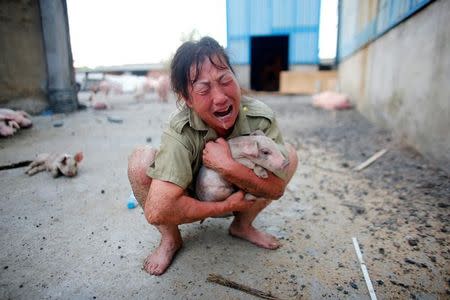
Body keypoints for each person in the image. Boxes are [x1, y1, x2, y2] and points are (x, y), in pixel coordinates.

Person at [127, 36, 298, 276]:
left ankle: (242, 225)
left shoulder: (260, 117)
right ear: (187, 99)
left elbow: (276, 188)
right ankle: (171, 239)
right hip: (191, 196)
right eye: (204, 89)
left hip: (241, 191)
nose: (220, 97)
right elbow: (157, 210)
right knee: (140, 161)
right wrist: (224, 207)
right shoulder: (180, 130)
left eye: (225, 80)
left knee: (289, 153)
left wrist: (227, 166)